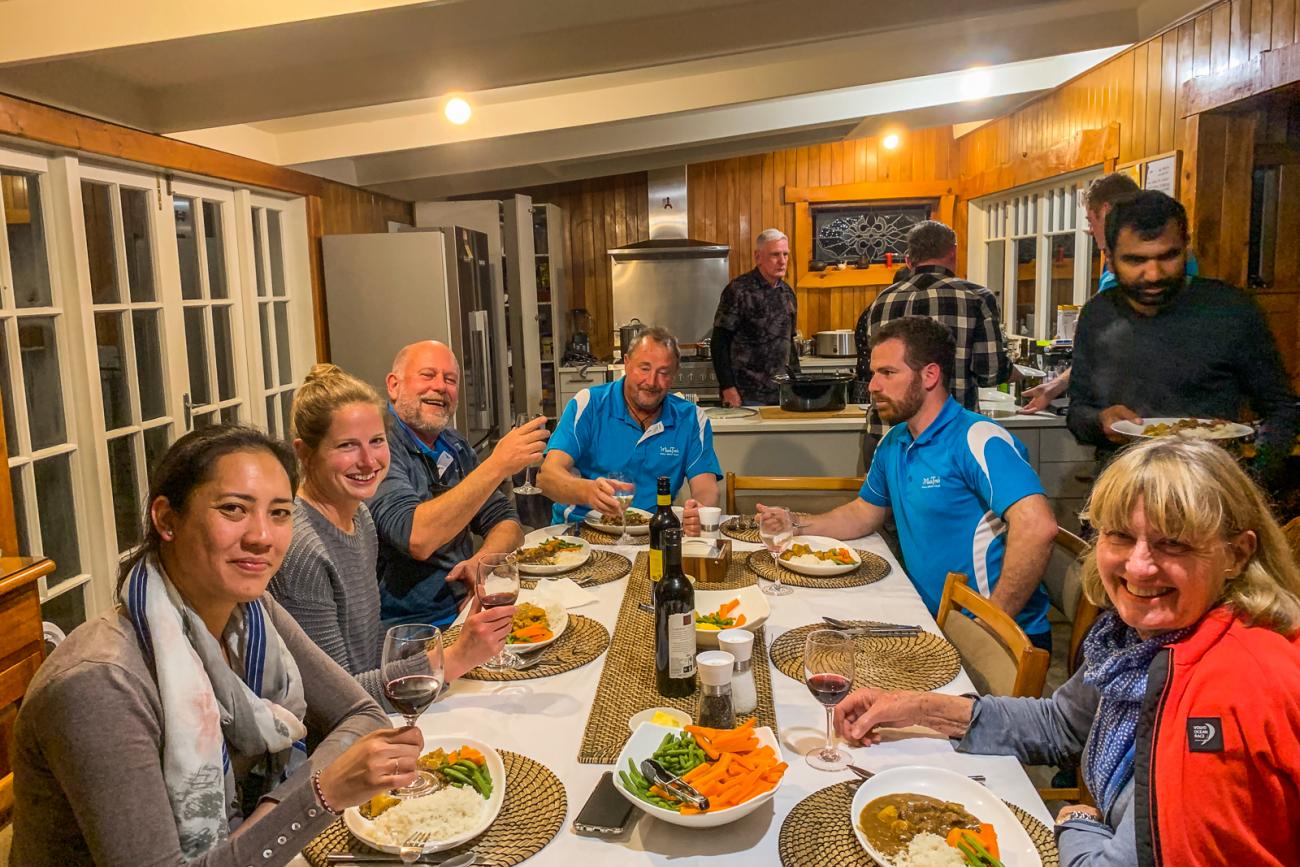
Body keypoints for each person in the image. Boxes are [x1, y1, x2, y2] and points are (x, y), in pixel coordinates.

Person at [834, 437, 1300, 866]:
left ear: (1236, 555)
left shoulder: (1228, 689)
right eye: (1119, 535)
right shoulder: (1141, 642)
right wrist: (915, 706)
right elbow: (1062, 723)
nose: (1138, 566)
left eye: (1172, 543)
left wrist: (1076, 823)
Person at [11, 426, 426, 866]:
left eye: (280, 513)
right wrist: (319, 795)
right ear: (167, 519)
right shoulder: (100, 683)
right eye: (233, 509)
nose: (262, 536)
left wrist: (270, 816)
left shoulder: (252, 612)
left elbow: (361, 715)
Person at [770, 316, 1057, 648]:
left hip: (1001, 639)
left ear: (930, 375)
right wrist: (797, 526)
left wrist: (990, 624)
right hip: (932, 623)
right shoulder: (894, 441)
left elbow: (1038, 527)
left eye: (888, 373)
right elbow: (865, 512)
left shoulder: (977, 438)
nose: (873, 386)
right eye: (873, 373)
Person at [270, 363, 514, 704]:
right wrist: (454, 657)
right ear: (304, 453)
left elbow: (367, 656)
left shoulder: (361, 519)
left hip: (381, 707)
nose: (369, 461)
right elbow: (337, 701)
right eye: (347, 446)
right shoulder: (302, 550)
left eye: (376, 442)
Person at [1066, 191, 1298, 487]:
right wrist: (1100, 422)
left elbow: (1281, 410)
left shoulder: (1231, 310)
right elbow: (1077, 413)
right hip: (1121, 489)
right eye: (1135, 260)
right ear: (1109, 259)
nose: (1153, 274)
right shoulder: (1097, 314)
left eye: (1168, 256)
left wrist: (1253, 481)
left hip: (1210, 490)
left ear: (1185, 248)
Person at [370, 340, 547, 628]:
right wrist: (496, 464)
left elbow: (507, 522)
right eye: (428, 375)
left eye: (450, 380)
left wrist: (483, 560)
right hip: (412, 630)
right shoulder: (377, 445)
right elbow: (417, 538)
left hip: (468, 609)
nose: (440, 386)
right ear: (394, 385)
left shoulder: (453, 444)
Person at [538, 326, 722, 527]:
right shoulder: (589, 404)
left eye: (663, 373)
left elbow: (706, 487)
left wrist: (699, 510)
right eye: (644, 368)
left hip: (654, 533)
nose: (651, 382)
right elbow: (546, 478)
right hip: (580, 530)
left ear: (675, 374)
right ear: (626, 363)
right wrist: (587, 491)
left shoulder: (692, 418)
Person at [858, 220, 1011, 441]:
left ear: (910, 259)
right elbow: (991, 372)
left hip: (888, 432)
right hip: (951, 436)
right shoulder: (976, 298)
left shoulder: (883, 299)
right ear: (953, 252)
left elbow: (878, 365)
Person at [1020, 171, 1140, 413]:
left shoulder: (1125, 272)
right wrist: (1054, 386)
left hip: (1132, 406)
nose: (1089, 230)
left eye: (1090, 220)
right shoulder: (1112, 268)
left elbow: (1115, 347)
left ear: (1106, 211)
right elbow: (1101, 349)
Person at [711, 228, 801, 406]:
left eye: (786, 254)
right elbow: (719, 343)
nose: (782, 261)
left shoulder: (787, 293)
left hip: (782, 393)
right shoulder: (738, 291)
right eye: (775, 255)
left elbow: (790, 346)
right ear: (758, 257)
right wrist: (727, 387)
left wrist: (797, 383)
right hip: (746, 394)